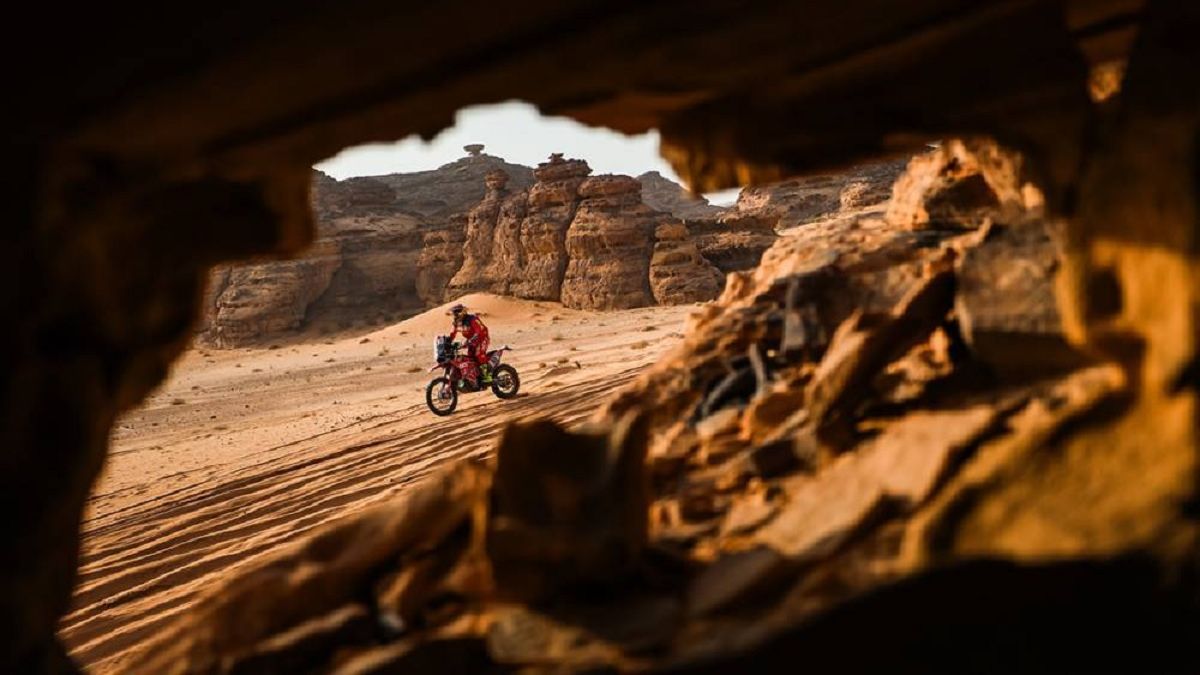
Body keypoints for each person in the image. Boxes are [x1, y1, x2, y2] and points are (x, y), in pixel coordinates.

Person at [448, 303, 491, 382]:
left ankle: (487, 375)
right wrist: (447, 341)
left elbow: (479, 331)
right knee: (470, 357)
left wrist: (471, 340)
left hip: (482, 338)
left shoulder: (472, 319)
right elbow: (452, 333)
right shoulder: (456, 322)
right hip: (471, 340)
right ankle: (475, 375)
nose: (454, 315)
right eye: (454, 313)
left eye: (456, 313)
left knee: (479, 354)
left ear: (461, 312)